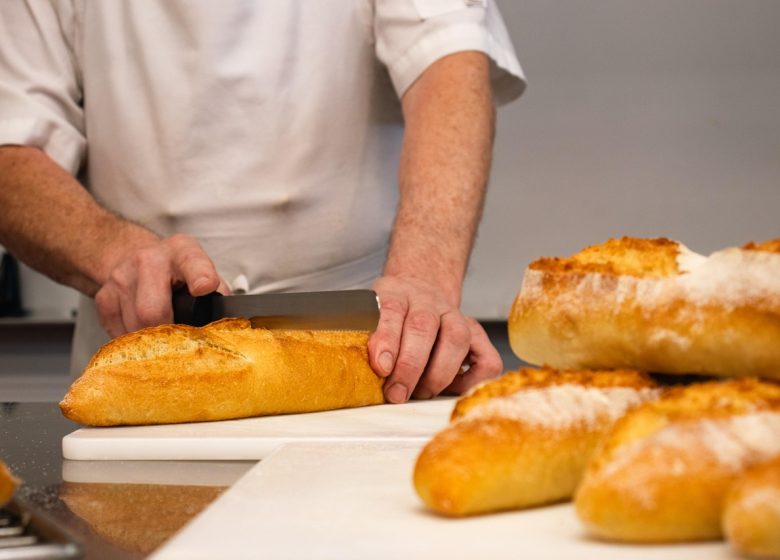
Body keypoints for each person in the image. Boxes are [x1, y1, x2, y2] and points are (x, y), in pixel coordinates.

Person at [0, 1, 525, 403]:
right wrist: (111, 251)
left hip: (368, 353)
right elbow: (10, 143)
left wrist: (423, 279)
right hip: (142, 349)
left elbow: (449, 64)